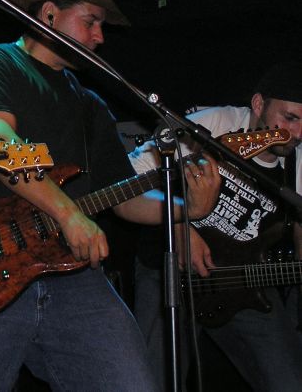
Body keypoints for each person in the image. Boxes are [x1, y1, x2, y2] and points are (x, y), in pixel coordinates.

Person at [0, 0, 220, 391]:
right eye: (91, 21)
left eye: (101, 26)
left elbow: (121, 198)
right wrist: (69, 214)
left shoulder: (90, 106)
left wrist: (186, 209)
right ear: (50, 14)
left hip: (73, 278)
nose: (99, 36)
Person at [129, 62, 302, 390]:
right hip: (172, 272)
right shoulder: (214, 124)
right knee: (154, 381)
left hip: (244, 282)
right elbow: (130, 177)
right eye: (290, 117)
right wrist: (181, 226)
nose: (297, 133)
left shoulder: (299, 162)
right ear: (258, 104)